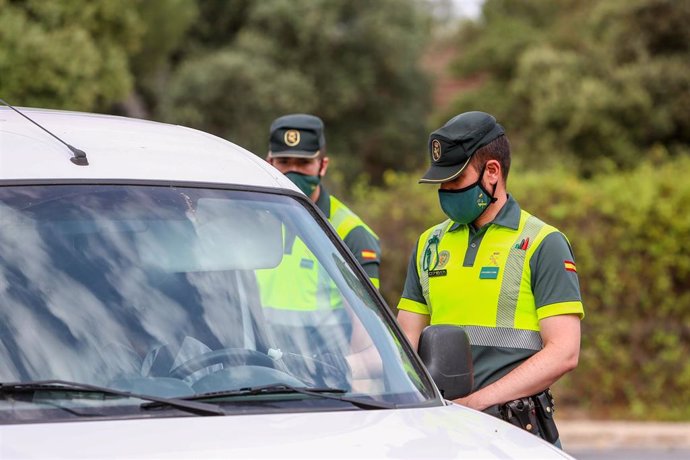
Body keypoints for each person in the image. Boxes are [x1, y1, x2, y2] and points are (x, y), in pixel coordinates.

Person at [396, 111, 584, 445]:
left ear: (492, 172)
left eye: (454, 180)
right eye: (441, 183)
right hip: (443, 431)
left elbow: (564, 351)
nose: (445, 191)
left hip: (517, 434)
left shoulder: (542, 243)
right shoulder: (429, 244)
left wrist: (475, 404)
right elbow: (404, 341)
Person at [265, 113, 381, 287]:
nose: (293, 171)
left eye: (304, 163)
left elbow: (365, 311)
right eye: (284, 162)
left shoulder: (352, 233)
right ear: (269, 163)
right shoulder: (253, 219)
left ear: (323, 165)